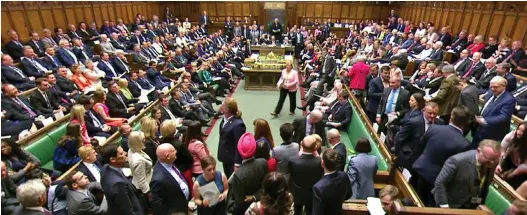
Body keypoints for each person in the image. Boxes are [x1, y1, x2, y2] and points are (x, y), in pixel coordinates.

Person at [412, 106, 471, 206]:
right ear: (466, 123)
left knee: (414, 200)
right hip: (436, 181)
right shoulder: (465, 144)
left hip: (419, 169)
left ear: (451, 117)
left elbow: (421, 145)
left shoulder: (434, 128)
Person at [433, 140, 501, 209]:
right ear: (478, 151)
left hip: (472, 205)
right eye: (489, 159)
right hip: (451, 205)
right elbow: (440, 183)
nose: (492, 162)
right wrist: (444, 207)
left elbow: (484, 185)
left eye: (495, 159)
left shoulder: (492, 162)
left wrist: (479, 203)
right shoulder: (457, 161)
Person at [227, 132, 268, 215]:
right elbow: (265, 186)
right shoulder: (263, 162)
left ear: (239, 150)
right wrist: (255, 196)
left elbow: (238, 203)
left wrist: (229, 206)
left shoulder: (238, 175)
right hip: (261, 206)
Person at [100, 143, 144, 214]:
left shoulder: (105, 168)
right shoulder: (117, 183)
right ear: (113, 159)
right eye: (121, 153)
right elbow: (127, 211)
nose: (125, 153)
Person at [473, 76, 516, 149]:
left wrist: (485, 121)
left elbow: (504, 116)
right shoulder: (490, 92)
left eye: (495, 87)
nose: (492, 89)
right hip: (480, 128)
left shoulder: (509, 100)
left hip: (492, 132)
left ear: (504, 86)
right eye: (491, 86)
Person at [151, 143, 191, 215]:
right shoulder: (158, 179)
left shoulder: (168, 163)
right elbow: (157, 205)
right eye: (173, 151)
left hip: (183, 206)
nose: (176, 151)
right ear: (168, 156)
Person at [288, 135, 324, 215]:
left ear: (301, 144)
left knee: (297, 210)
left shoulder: (293, 160)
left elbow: (291, 175)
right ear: (315, 147)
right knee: (310, 211)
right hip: (311, 193)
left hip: (297, 192)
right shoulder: (320, 162)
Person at [312, 149, 352, 215]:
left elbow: (317, 212)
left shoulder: (318, 187)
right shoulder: (344, 176)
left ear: (322, 163)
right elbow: (349, 194)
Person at [218, 98, 246, 177]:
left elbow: (239, 145)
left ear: (227, 109)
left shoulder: (238, 125)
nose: (221, 107)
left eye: (223, 106)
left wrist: (237, 164)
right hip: (226, 158)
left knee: (233, 182)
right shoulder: (224, 120)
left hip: (232, 161)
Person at [497, 121, 527, 189]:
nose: (519, 132)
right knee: (497, 172)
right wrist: (499, 164)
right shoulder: (511, 136)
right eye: (518, 129)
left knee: (510, 184)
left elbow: (523, 168)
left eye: (523, 131)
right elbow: (502, 150)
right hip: (510, 160)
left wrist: (508, 175)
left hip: (522, 171)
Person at [128, 131, 153, 207]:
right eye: (143, 139)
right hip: (146, 186)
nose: (145, 140)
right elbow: (141, 180)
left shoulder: (131, 150)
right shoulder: (138, 160)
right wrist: (148, 194)